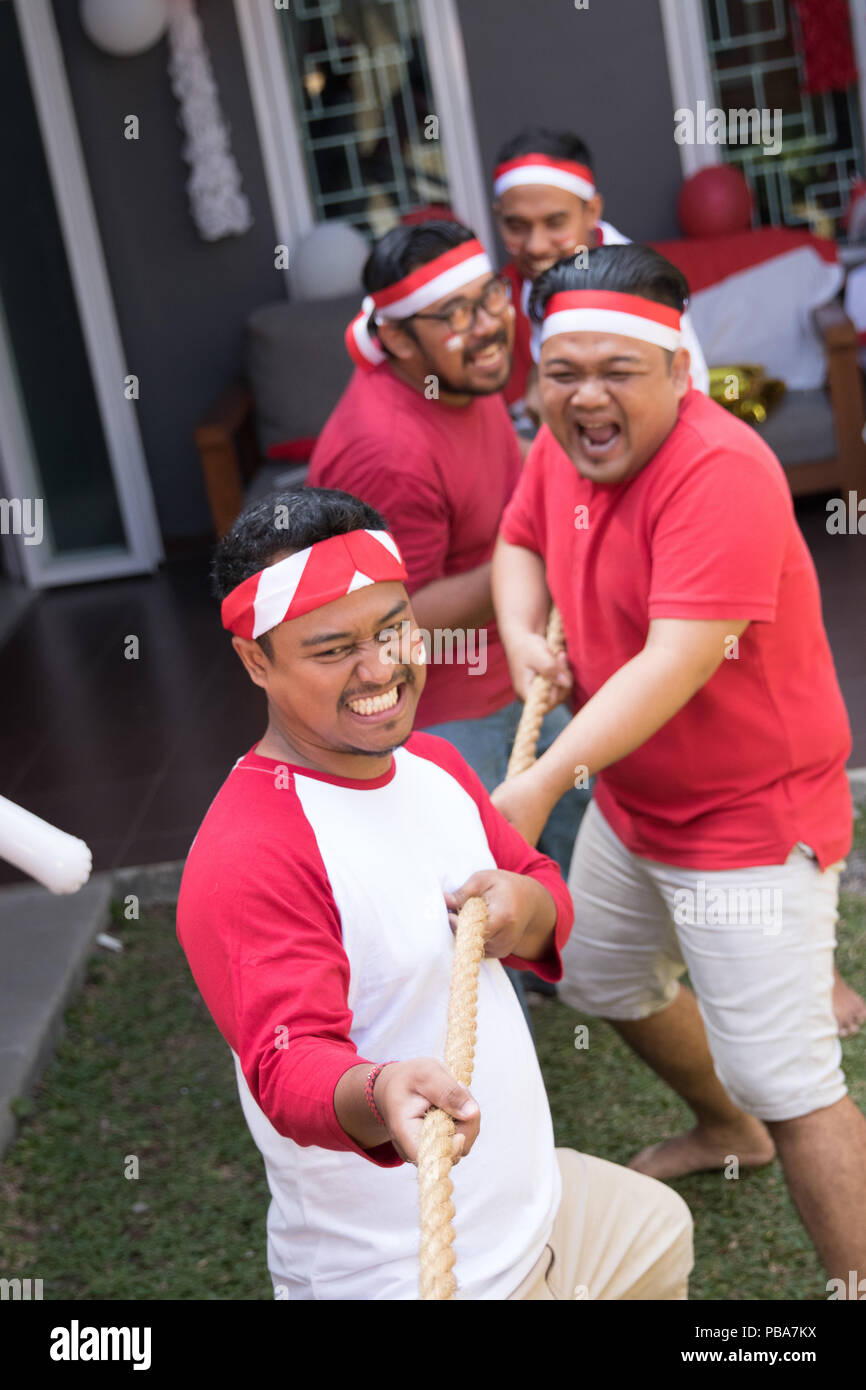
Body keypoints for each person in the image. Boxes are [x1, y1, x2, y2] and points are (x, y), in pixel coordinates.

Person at [175, 487, 694, 1301]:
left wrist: (527, 910)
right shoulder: (250, 853)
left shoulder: (438, 768)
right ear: (255, 662)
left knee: (658, 1226)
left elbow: (543, 889)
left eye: (393, 629)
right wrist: (381, 1091)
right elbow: (289, 1063)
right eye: (332, 649)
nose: (381, 669)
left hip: (539, 1211)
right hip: (413, 1273)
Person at [491, 242, 866, 1281]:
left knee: (790, 1082)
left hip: (747, 815)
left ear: (677, 370)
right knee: (600, 975)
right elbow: (519, 539)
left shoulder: (719, 469)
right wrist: (526, 632)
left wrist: (533, 783)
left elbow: (676, 662)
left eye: (617, 370)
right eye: (563, 373)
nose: (585, 397)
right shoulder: (562, 441)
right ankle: (724, 1128)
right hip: (634, 803)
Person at [307, 219, 587, 885]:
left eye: (490, 296)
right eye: (454, 313)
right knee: (480, 916)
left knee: (594, 867)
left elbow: (498, 469)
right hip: (443, 715)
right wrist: (543, 550)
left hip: (513, 666)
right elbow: (397, 617)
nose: (488, 324)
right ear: (398, 338)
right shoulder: (390, 451)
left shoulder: (460, 376)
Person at [491, 126, 709, 431]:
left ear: (592, 210)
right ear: (497, 216)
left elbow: (692, 389)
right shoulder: (531, 278)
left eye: (555, 223)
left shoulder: (637, 282)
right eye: (516, 225)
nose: (535, 245)